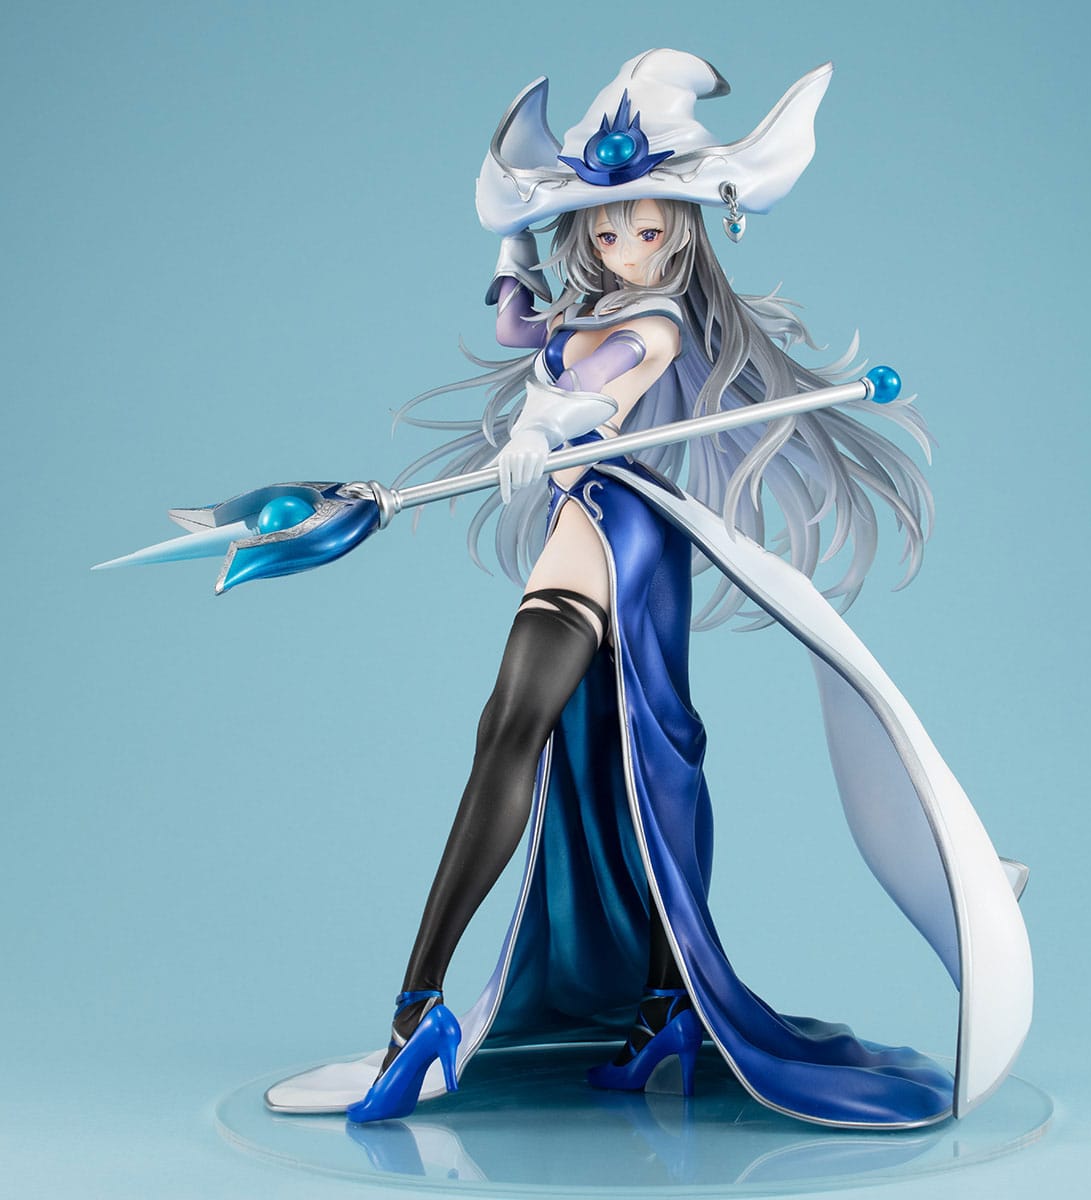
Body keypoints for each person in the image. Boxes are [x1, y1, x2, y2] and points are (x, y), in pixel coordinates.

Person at [266, 49, 1032, 1130]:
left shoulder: (656, 322)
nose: (628, 247)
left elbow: (605, 388)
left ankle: (422, 1008)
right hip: (584, 522)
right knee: (593, 754)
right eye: (608, 231)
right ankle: (650, 1003)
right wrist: (515, 247)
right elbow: (524, 332)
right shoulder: (589, 306)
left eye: (650, 230)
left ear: (683, 232)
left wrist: (546, 426)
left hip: (617, 529)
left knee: (534, 737)